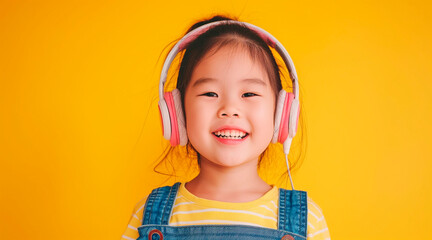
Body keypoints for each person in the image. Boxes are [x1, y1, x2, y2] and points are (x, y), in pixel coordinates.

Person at [122, 15, 330, 240]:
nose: (229, 109)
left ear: (282, 113)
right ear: (177, 113)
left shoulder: (308, 220)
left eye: (249, 94)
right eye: (210, 93)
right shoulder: (148, 217)